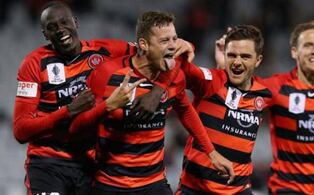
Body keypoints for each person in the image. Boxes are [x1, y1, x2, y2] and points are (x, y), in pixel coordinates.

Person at [13, 1, 195, 194]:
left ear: (75, 22)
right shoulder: (33, 64)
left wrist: (158, 90)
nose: (60, 30)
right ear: (45, 35)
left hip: (89, 163)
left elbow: (168, 51)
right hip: (49, 162)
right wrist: (68, 112)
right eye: (52, 27)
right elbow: (21, 130)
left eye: (65, 22)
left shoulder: (104, 51)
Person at [68, 11, 235, 195]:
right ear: (144, 45)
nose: (173, 47)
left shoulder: (175, 76)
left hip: (154, 184)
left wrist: (212, 153)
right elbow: (75, 128)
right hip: (110, 185)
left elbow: (186, 110)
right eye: (165, 41)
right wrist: (107, 107)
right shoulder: (107, 75)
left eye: (175, 39)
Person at [216, 20, 314, 194]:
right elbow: (239, 87)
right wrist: (227, 61)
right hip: (285, 187)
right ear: (294, 51)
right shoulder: (277, 87)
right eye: (308, 45)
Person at [176, 25, 272, 194]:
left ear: (258, 60)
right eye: (232, 55)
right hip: (196, 189)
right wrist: (187, 47)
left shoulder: (265, 94)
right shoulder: (212, 81)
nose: (237, 61)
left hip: (238, 189)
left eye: (245, 56)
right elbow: (181, 69)